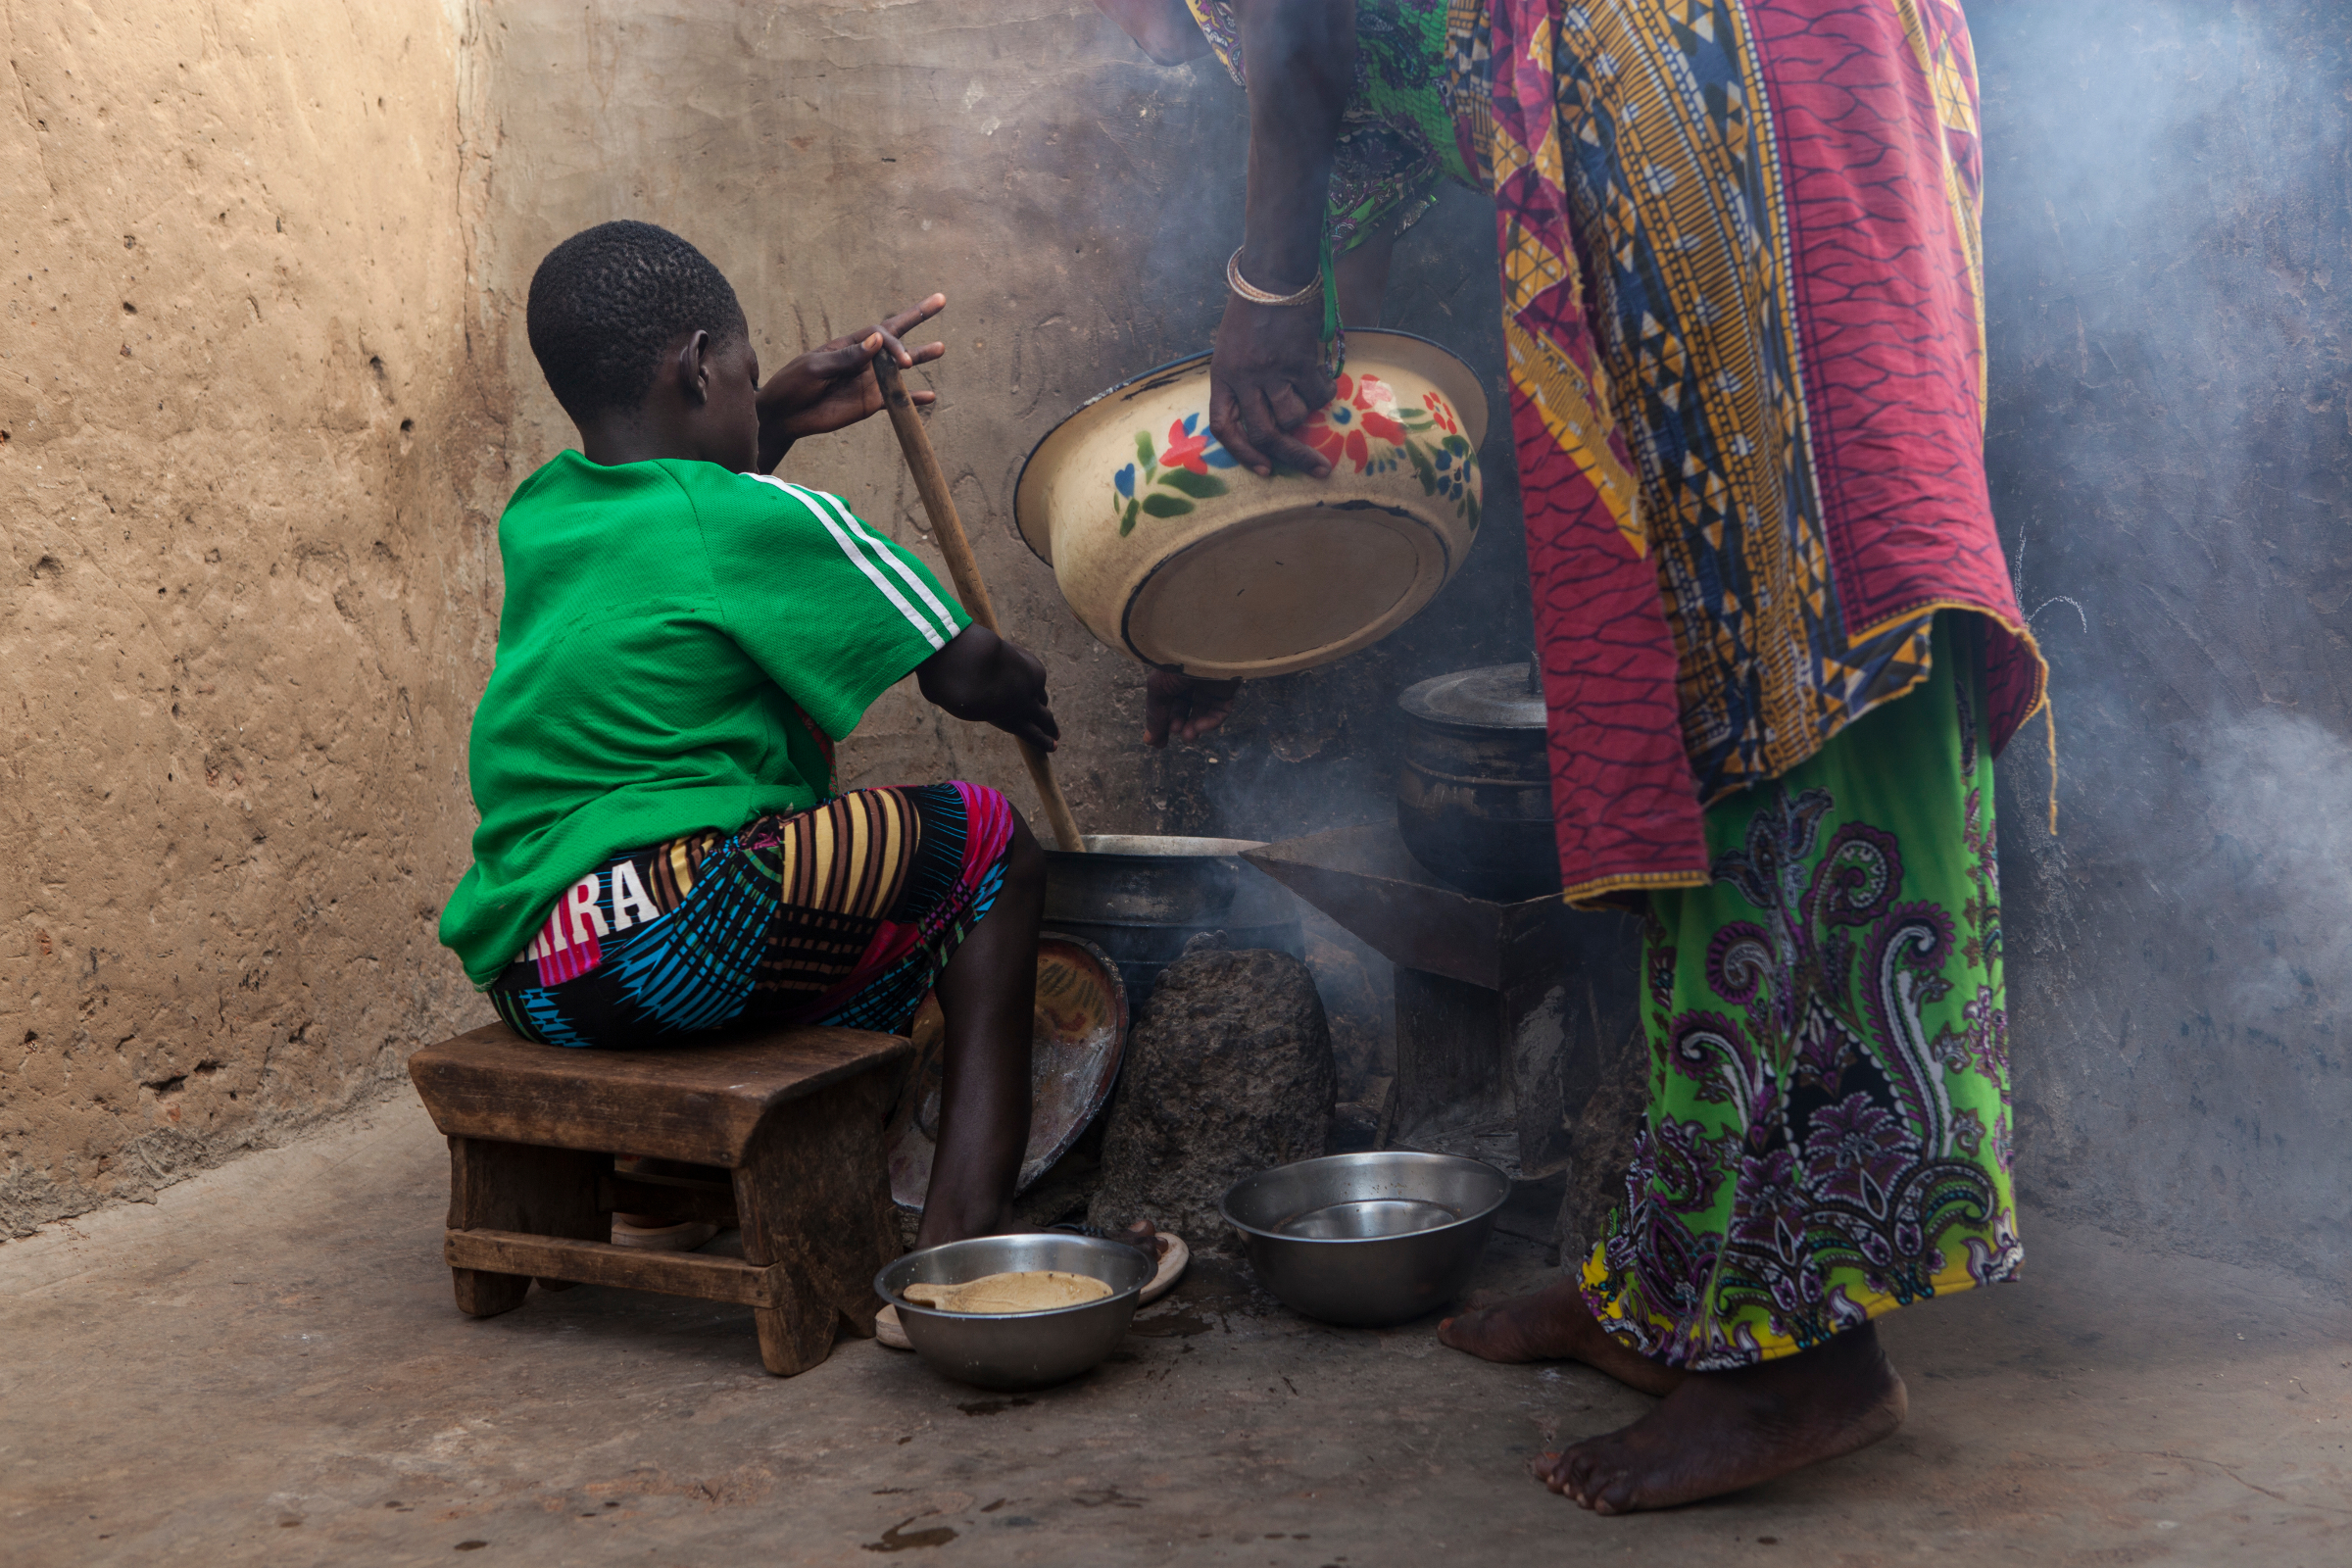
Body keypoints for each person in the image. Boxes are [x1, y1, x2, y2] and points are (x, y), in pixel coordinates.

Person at [1099, 0, 2045, 1513]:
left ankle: (1808, 1356)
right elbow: (1354, 101)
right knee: (1711, 681)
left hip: (1732, 88)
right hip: (1742, 80)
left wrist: (1270, 281)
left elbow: (1297, 44)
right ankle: (1679, 1280)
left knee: (1798, 669)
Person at [437, 220, 1057, 1251]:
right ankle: (966, 1241)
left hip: (540, 976)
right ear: (698, 365)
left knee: (818, 864)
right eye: (745, 374)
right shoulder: (758, 514)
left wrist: (767, 410)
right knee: (988, 849)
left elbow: (676, 508)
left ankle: (663, 1179)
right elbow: (965, 669)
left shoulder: (545, 513)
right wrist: (1026, 685)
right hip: (673, 939)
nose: (752, 401)